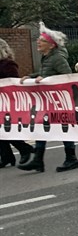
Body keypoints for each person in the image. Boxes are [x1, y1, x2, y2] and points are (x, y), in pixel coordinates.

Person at [18, 24, 78, 173]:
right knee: (40, 126)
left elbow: (67, 76)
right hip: (48, 101)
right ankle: (38, 160)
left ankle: (71, 159)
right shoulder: (47, 57)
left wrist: (45, 78)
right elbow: (44, 73)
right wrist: (31, 77)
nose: (38, 42)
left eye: (41, 41)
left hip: (59, 101)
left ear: (51, 45)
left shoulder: (57, 58)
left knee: (64, 127)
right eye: (38, 40)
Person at [0, 38, 34, 168]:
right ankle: (7, 156)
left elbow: (13, 82)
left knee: (5, 128)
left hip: (7, 102)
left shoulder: (8, 64)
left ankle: (23, 149)